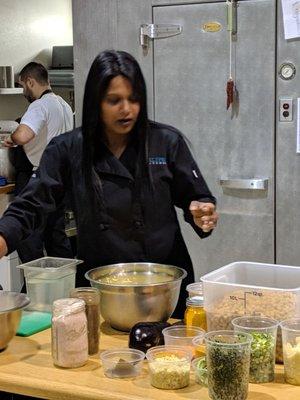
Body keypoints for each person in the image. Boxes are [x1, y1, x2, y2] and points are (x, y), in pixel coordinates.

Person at [0, 51, 218, 317]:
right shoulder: (69, 149)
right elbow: (32, 204)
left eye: (133, 99)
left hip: (164, 284)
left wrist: (202, 211)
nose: (126, 109)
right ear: (95, 102)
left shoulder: (165, 141)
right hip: (100, 285)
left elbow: (196, 197)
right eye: (114, 100)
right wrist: (3, 237)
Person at [4, 62, 74, 262]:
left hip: (39, 178)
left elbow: (24, 135)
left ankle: (35, 289)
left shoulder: (39, 106)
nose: (23, 91)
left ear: (30, 81)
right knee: (57, 238)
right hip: (61, 180)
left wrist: (12, 138)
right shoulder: (64, 106)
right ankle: (64, 288)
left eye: (23, 86)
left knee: (29, 238)